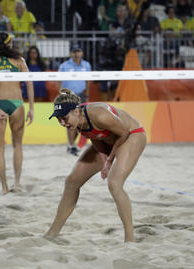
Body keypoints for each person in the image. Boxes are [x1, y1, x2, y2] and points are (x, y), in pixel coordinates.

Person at [45, 88, 146, 242]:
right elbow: (94, 136)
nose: (62, 123)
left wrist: (110, 160)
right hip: (107, 141)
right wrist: (104, 158)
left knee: (114, 183)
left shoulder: (99, 114)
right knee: (71, 182)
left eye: (64, 118)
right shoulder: (76, 122)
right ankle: (52, 233)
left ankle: (130, 239)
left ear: (77, 111)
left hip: (132, 135)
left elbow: (124, 133)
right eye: (59, 119)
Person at [0, 32, 34, 195]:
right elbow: (29, 84)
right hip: (17, 104)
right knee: (17, 145)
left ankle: (4, 187)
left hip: (0, 103)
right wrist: (32, 108)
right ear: (8, 44)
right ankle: (17, 183)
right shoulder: (19, 61)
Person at [58, 45, 91, 156]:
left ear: (82, 53)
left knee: (79, 123)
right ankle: (71, 146)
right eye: (74, 52)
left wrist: (88, 94)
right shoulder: (64, 66)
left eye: (78, 51)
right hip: (68, 96)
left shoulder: (86, 65)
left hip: (81, 95)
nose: (76, 54)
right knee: (70, 122)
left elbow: (88, 81)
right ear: (71, 53)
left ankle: (71, 145)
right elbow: (58, 80)